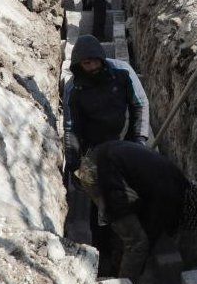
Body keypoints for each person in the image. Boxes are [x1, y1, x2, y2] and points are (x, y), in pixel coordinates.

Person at [61, 34, 151, 265]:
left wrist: (139, 141)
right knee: (99, 206)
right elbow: (71, 126)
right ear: (78, 64)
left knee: (129, 199)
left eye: (94, 61)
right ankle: (103, 256)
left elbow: (140, 105)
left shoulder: (122, 73)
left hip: (125, 146)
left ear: (101, 59)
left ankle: (128, 250)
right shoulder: (75, 88)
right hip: (96, 153)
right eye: (85, 63)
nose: (90, 66)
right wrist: (73, 161)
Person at [74, 140, 197, 281]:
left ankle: (114, 271)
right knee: (137, 242)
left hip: (98, 160)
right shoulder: (168, 196)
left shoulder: (177, 183)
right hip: (98, 172)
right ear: (191, 212)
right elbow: (150, 231)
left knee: (129, 228)